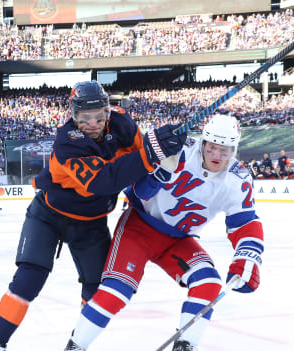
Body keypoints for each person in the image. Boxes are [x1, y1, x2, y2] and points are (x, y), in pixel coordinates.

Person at [0, 81, 186, 351]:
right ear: (73, 115)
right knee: (28, 279)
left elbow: (143, 159)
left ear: (108, 111)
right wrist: (153, 151)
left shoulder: (122, 124)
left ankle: (77, 344)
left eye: (99, 117)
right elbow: (105, 180)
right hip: (49, 216)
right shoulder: (67, 142)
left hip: (90, 224)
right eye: (84, 119)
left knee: (96, 290)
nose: (92, 124)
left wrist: (165, 147)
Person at [63, 114, 264, 351]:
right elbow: (140, 192)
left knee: (208, 282)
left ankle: (185, 345)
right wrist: (160, 174)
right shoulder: (179, 151)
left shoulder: (238, 179)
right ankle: (75, 346)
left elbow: (244, 223)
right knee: (118, 290)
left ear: (234, 148)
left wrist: (248, 256)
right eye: (211, 148)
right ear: (203, 142)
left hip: (177, 240)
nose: (217, 156)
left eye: (225, 150)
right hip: (140, 227)